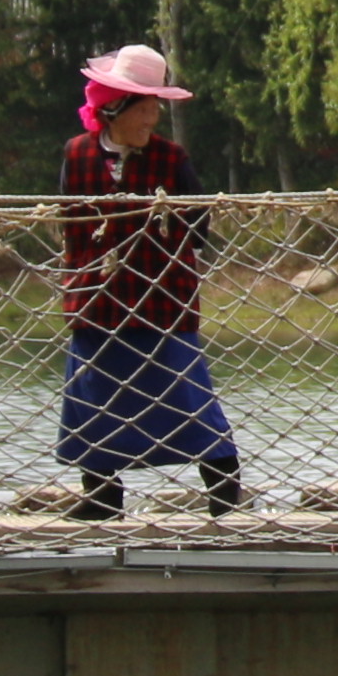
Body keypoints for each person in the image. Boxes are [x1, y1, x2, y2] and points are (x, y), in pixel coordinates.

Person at [61, 42, 244, 520]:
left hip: (162, 300)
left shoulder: (170, 157)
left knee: (185, 389)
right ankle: (102, 496)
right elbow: (70, 224)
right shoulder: (77, 154)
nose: (150, 122)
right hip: (97, 300)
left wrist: (157, 250)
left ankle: (223, 487)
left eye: (154, 112)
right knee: (92, 395)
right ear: (115, 109)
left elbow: (198, 221)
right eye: (144, 111)